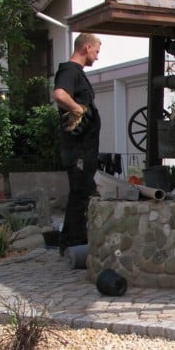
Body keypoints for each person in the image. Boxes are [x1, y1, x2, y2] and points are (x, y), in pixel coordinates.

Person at [53, 33, 102, 254]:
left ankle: (70, 241)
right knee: (81, 194)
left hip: (84, 149)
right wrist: (78, 109)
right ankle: (74, 243)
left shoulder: (76, 72)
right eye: (96, 51)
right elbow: (59, 95)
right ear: (87, 47)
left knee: (83, 192)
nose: (97, 57)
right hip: (78, 149)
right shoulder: (69, 71)